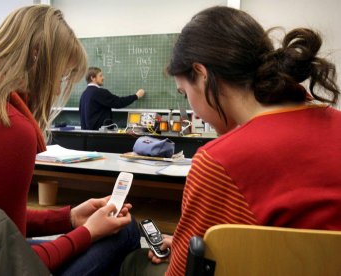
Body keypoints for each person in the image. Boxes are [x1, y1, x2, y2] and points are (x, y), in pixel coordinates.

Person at [120, 6, 341, 276]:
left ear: (201, 74)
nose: (191, 106)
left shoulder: (220, 161)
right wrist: (186, 244)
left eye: (184, 93)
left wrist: (181, 253)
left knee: (134, 262)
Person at [0, 5, 140, 275]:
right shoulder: (7, 127)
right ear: (38, 58)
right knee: (125, 233)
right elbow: (10, 264)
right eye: (61, 76)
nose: (58, 86)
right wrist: (87, 232)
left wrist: (69, 218)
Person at [79, 67, 145, 130]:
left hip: (87, 135)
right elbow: (119, 102)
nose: (103, 78)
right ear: (93, 78)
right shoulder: (99, 92)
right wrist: (136, 96)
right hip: (99, 135)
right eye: (100, 76)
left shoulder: (84, 94)